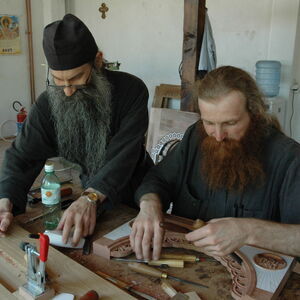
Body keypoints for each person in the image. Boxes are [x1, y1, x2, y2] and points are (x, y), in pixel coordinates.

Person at [0, 14, 153, 245]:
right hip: (87, 194)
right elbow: (22, 155)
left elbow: (124, 155)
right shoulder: (48, 103)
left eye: (76, 79)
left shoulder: (132, 90)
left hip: (136, 193)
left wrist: (91, 196)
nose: (68, 91)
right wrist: (6, 198)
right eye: (58, 81)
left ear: (98, 61)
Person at [130, 66, 300, 261]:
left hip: (251, 276)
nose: (218, 136)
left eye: (230, 123)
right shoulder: (196, 135)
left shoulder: (289, 158)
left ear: (255, 114)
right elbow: (159, 178)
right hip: (189, 261)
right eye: (209, 122)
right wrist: (149, 204)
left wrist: (249, 231)